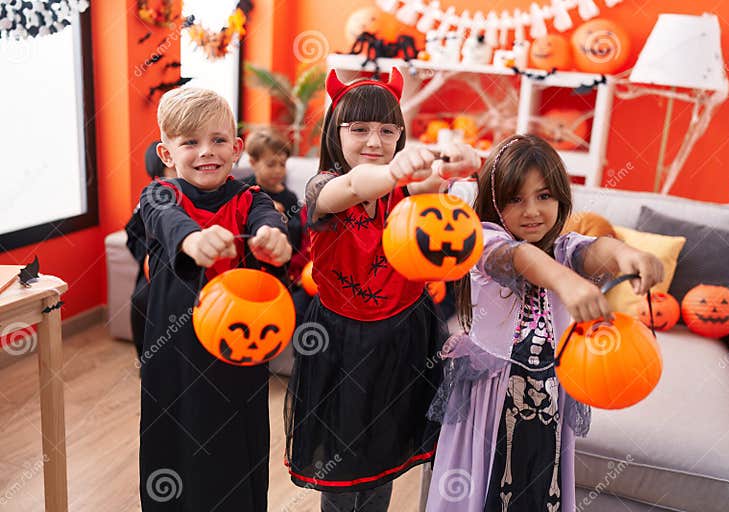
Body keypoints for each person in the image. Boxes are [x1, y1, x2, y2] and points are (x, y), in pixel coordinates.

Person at [426, 134, 664, 511]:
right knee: (485, 493)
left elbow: (593, 250)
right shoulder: (483, 241)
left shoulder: (565, 248)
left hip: (549, 397)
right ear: (493, 203)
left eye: (544, 196)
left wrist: (627, 254)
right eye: (515, 199)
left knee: (538, 489)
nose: (532, 211)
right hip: (492, 399)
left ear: (560, 199)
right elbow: (520, 258)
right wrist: (566, 282)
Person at [284, 68, 481, 511]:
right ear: (336, 133)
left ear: (400, 134)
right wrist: (395, 170)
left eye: (388, 130)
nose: (374, 141)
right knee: (342, 467)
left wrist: (458, 158)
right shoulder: (323, 188)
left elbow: (438, 177)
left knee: (386, 454)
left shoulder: (403, 188)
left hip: (404, 336)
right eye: (360, 130)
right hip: (342, 343)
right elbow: (355, 185)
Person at [138, 87, 292, 512]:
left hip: (237, 359)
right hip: (175, 358)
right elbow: (169, 223)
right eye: (190, 142)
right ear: (167, 154)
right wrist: (193, 239)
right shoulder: (158, 196)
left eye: (218, 140)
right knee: (172, 448)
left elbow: (268, 223)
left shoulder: (252, 199)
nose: (206, 152)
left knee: (235, 453)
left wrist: (273, 239)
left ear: (237, 148)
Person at [241, 125, 311, 320]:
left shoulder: (289, 197)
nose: (278, 170)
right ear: (253, 162)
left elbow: (297, 237)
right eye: (271, 164)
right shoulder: (243, 190)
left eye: (282, 164)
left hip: (280, 267)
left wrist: (284, 221)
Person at [125, 141, 175, 359]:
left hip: (190, 263)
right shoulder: (151, 197)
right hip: (155, 265)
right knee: (141, 299)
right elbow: (132, 233)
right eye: (168, 169)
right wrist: (147, 254)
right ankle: (145, 356)